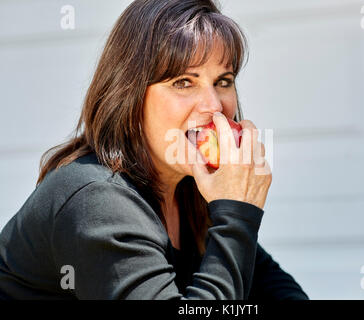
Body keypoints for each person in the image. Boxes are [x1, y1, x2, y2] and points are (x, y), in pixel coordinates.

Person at [0, 0, 308, 300]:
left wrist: (232, 214)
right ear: (130, 95)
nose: (215, 105)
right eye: (183, 82)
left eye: (223, 81)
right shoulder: (97, 200)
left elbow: (279, 291)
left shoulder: (192, 190)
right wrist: (238, 213)